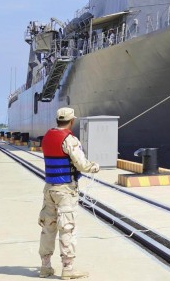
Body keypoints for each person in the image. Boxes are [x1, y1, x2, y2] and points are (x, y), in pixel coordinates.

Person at [38, 108, 100, 279]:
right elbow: (81, 164)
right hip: (65, 190)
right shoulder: (70, 139)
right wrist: (94, 166)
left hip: (49, 187)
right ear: (72, 121)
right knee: (67, 228)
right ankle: (68, 268)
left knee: (48, 227)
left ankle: (45, 266)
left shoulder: (47, 136)